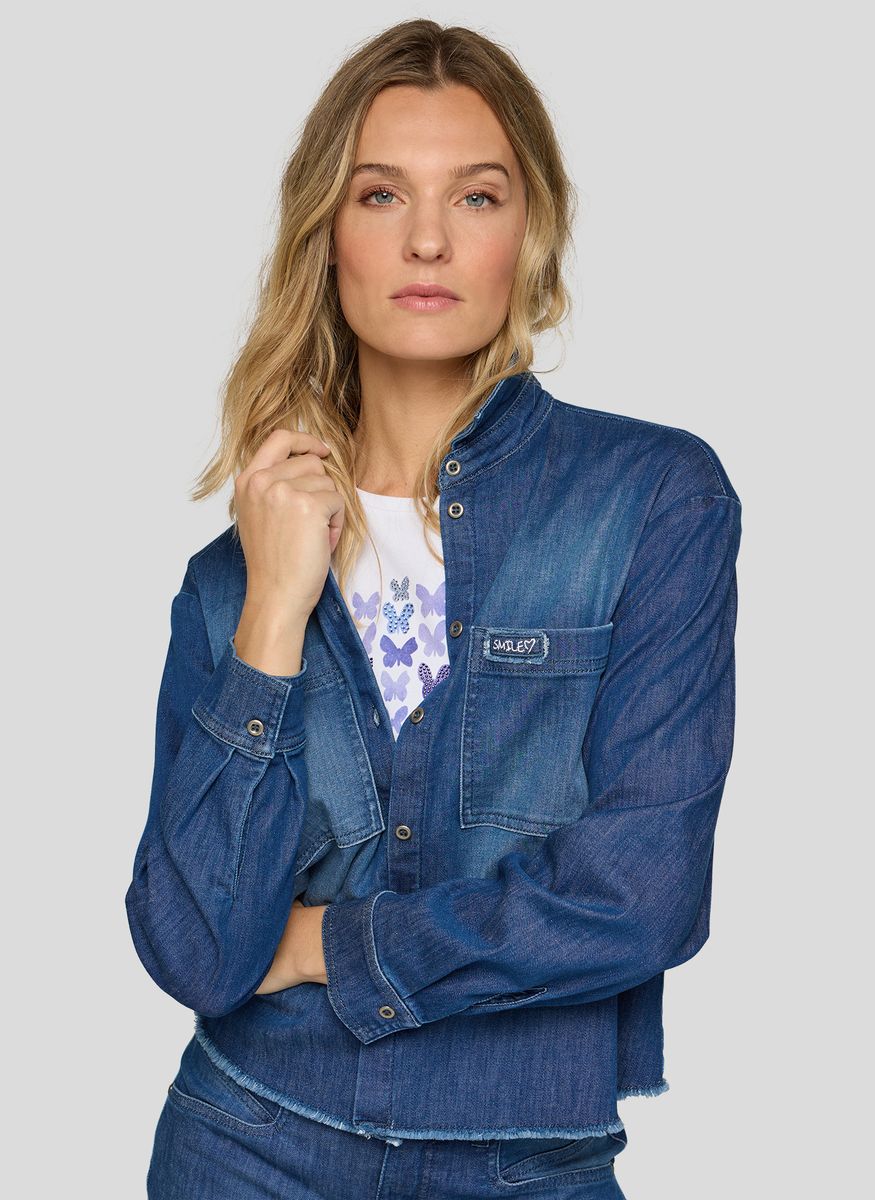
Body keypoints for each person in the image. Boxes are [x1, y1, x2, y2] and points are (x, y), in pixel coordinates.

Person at [126, 18, 742, 1200]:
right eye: (379, 195)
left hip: (526, 1160)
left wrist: (323, 944)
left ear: (530, 232)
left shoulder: (651, 499)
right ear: (326, 236)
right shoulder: (233, 574)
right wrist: (270, 616)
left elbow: (642, 895)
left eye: (474, 196)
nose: (425, 238)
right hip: (248, 1142)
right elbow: (198, 949)